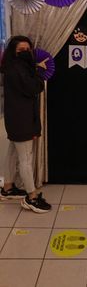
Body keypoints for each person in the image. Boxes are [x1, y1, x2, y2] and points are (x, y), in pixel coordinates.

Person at [0, 35, 51, 213]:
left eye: (27, 50)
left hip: (16, 116)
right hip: (21, 118)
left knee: (13, 153)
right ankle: (32, 197)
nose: (25, 53)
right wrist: (35, 71)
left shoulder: (12, 67)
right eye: (21, 50)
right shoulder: (18, 70)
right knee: (26, 159)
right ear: (13, 52)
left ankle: (7, 188)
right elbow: (35, 87)